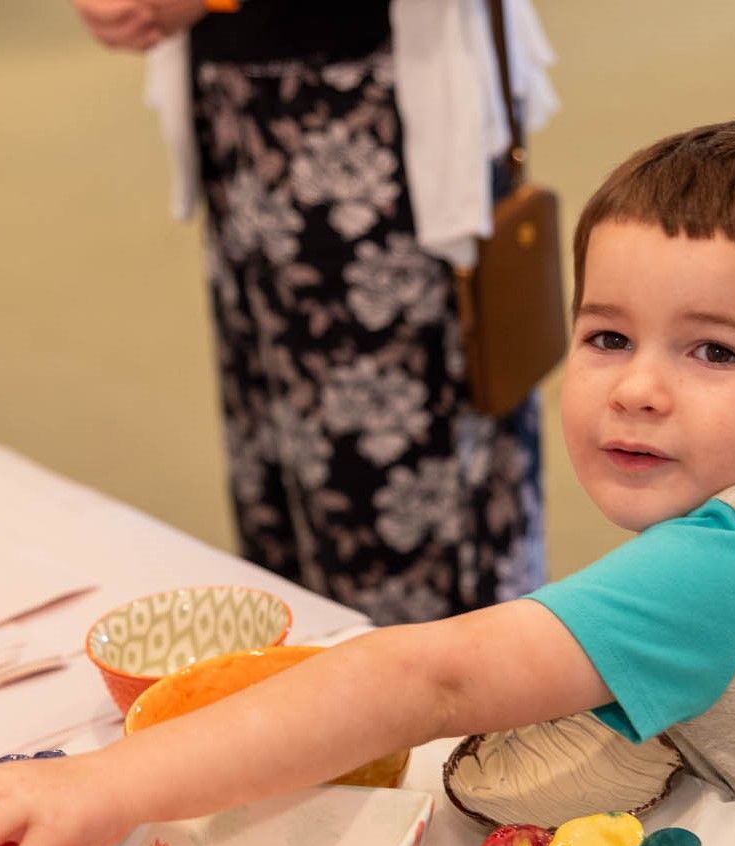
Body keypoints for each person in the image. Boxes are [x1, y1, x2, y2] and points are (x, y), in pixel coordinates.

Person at [0, 120, 735, 846]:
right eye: (607, 337)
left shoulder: (733, 563)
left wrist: (96, 785)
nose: (638, 388)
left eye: (712, 352)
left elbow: (430, 681)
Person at [73, 0, 559, 624]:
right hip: (236, 99)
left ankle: (447, 707)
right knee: (283, 465)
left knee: (399, 484)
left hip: (370, 105)